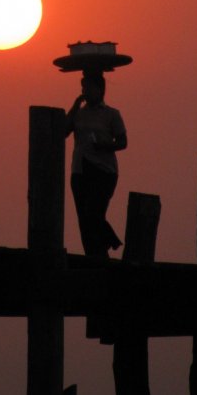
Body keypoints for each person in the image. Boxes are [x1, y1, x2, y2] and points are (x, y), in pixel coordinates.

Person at [65, 71, 127, 257]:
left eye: (89, 87)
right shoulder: (79, 114)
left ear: (100, 90)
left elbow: (123, 142)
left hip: (103, 171)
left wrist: (104, 145)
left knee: (94, 212)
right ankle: (95, 255)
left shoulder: (111, 114)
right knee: (83, 219)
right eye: (83, 87)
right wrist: (75, 105)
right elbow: (63, 131)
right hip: (80, 170)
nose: (85, 91)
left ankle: (109, 242)